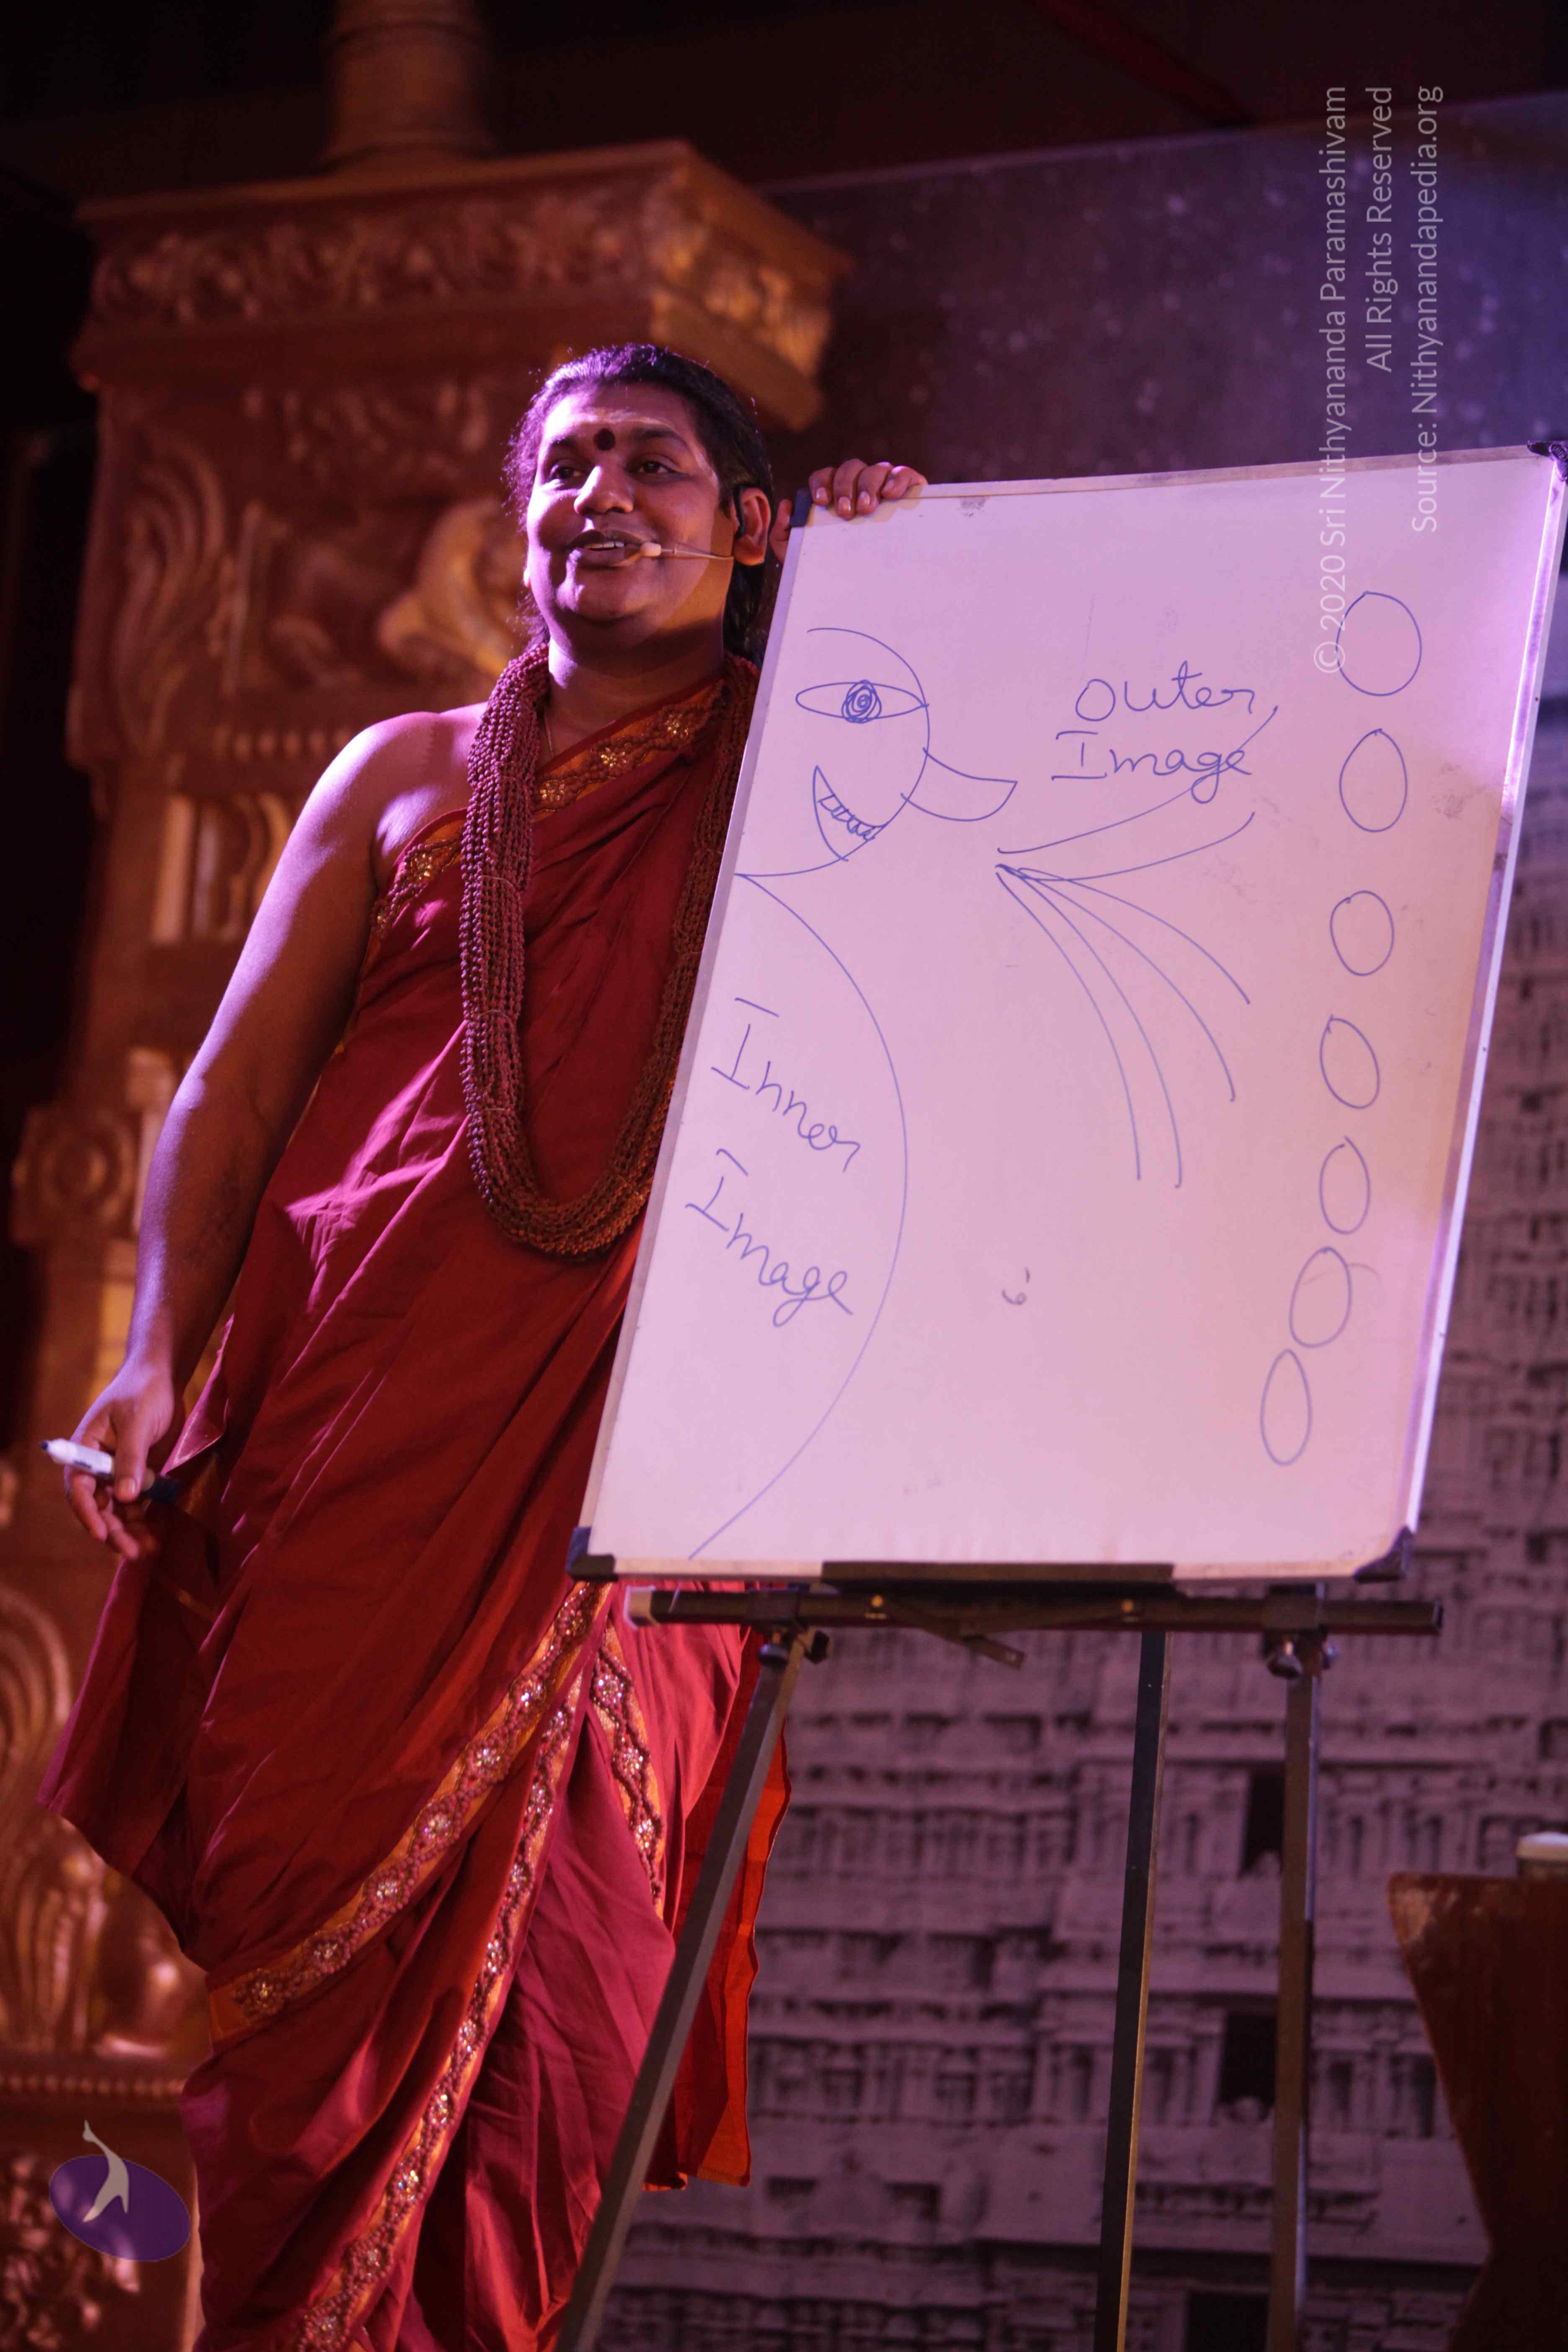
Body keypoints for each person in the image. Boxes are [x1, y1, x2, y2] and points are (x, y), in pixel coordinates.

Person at [37, 340, 926, 2352]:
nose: (600, 496)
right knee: (298, 2010)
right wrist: (157, 1351)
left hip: (635, 1483)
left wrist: (899, 583)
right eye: (566, 464)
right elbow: (232, 1092)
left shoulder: (813, 752)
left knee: (564, 2014)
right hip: (344, 1443)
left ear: (752, 526)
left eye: (654, 464)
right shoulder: (403, 773)